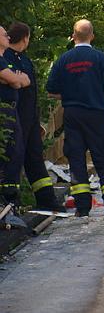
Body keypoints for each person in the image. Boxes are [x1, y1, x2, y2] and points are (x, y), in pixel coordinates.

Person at [46, 20, 104, 217]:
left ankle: (82, 207)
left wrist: (70, 94)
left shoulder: (63, 60)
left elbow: (51, 91)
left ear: (73, 36)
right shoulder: (101, 59)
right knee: (103, 158)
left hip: (72, 116)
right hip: (96, 114)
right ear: (92, 36)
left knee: (76, 159)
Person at [5, 23, 65, 212]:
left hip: (30, 118)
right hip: (14, 118)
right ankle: (10, 202)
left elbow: (30, 90)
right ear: (25, 38)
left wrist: (36, 121)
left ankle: (46, 198)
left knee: (34, 157)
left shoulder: (24, 60)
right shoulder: (5, 58)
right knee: (13, 159)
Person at [0, 24, 30, 212]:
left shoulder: (3, 60)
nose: (8, 37)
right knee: (9, 153)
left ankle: (11, 199)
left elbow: (22, 81)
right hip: (4, 112)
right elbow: (15, 81)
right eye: (4, 35)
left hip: (11, 110)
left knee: (16, 153)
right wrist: (13, 79)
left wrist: (13, 80)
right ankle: (8, 199)